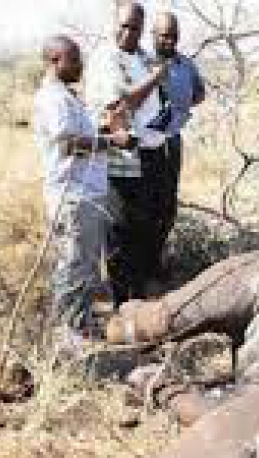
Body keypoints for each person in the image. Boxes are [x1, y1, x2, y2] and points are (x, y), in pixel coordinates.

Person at [33, 35, 133, 348]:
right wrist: (112, 142)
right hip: (71, 196)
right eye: (73, 60)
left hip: (86, 193)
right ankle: (68, 332)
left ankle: (81, 323)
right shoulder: (53, 99)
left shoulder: (67, 96)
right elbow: (69, 144)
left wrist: (107, 128)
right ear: (54, 61)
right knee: (74, 264)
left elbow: (82, 136)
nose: (79, 66)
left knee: (86, 264)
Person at [84, 1, 171, 306]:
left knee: (147, 225)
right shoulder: (106, 58)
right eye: (123, 25)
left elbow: (158, 103)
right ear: (114, 24)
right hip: (121, 159)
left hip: (151, 154)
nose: (128, 32)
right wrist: (155, 79)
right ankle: (122, 301)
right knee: (120, 229)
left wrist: (161, 128)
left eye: (135, 27)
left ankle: (139, 293)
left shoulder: (145, 57)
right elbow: (119, 105)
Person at [151, 11, 206, 273]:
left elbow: (199, 94)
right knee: (143, 207)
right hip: (143, 145)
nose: (169, 42)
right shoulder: (142, 61)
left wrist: (179, 111)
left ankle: (157, 260)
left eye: (174, 36)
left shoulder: (186, 64)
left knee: (167, 205)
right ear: (153, 35)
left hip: (172, 140)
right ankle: (140, 268)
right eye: (164, 36)